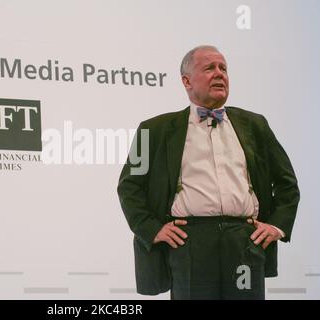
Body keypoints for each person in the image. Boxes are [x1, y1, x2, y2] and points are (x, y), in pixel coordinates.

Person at [117, 45, 300, 299]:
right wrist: (151, 228)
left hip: (244, 242)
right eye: (209, 68)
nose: (219, 73)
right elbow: (129, 186)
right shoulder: (151, 130)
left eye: (223, 68)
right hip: (189, 244)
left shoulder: (256, 125)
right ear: (187, 81)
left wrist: (277, 226)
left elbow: (287, 183)